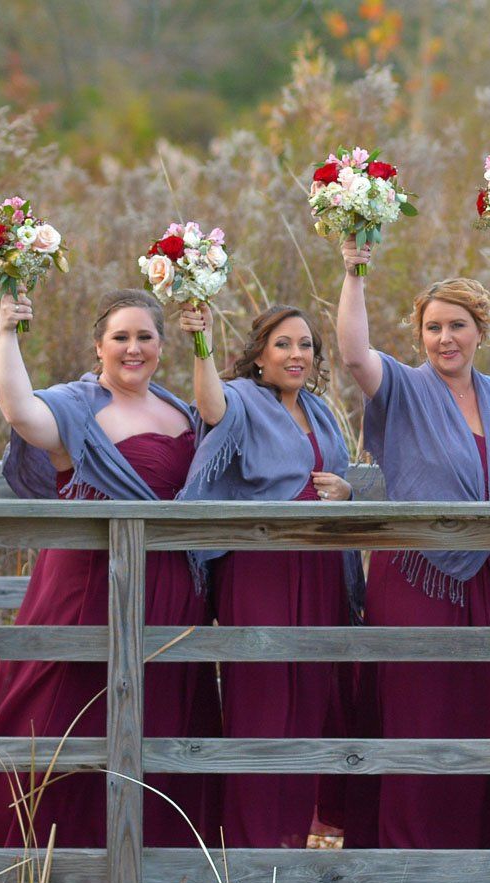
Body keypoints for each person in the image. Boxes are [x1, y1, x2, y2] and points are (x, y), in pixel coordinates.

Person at [0, 289, 220, 848]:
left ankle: (149, 866)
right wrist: (5, 331)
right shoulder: (76, 407)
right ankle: (12, 858)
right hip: (91, 584)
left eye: (145, 337)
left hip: (170, 591)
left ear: (162, 345)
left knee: (158, 720)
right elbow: (20, 412)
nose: (133, 348)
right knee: (58, 714)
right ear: (99, 346)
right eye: (121, 337)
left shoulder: (181, 410)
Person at [336, 241, 490, 849]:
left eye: (457, 326)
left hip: (487, 578)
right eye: (432, 327)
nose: (444, 338)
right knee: (418, 716)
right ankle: (407, 853)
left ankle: (484, 852)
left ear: (481, 331)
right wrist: (354, 270)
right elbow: (351, 355)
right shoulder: (403, 387)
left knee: (482, 713)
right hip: (416, 576)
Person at [176, 303, 358, 849]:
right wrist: (202, 341)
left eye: (305, 345)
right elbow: (210, 406)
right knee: (263, 702)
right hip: (262, 566)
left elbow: (338, 479)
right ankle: (250, 843)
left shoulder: (319, 411)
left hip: (321, 567)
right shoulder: (243, 402)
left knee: (309, 700)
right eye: (283, 344)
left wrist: (346, 495)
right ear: (259, 356)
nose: (296, 354)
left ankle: (289, 836)